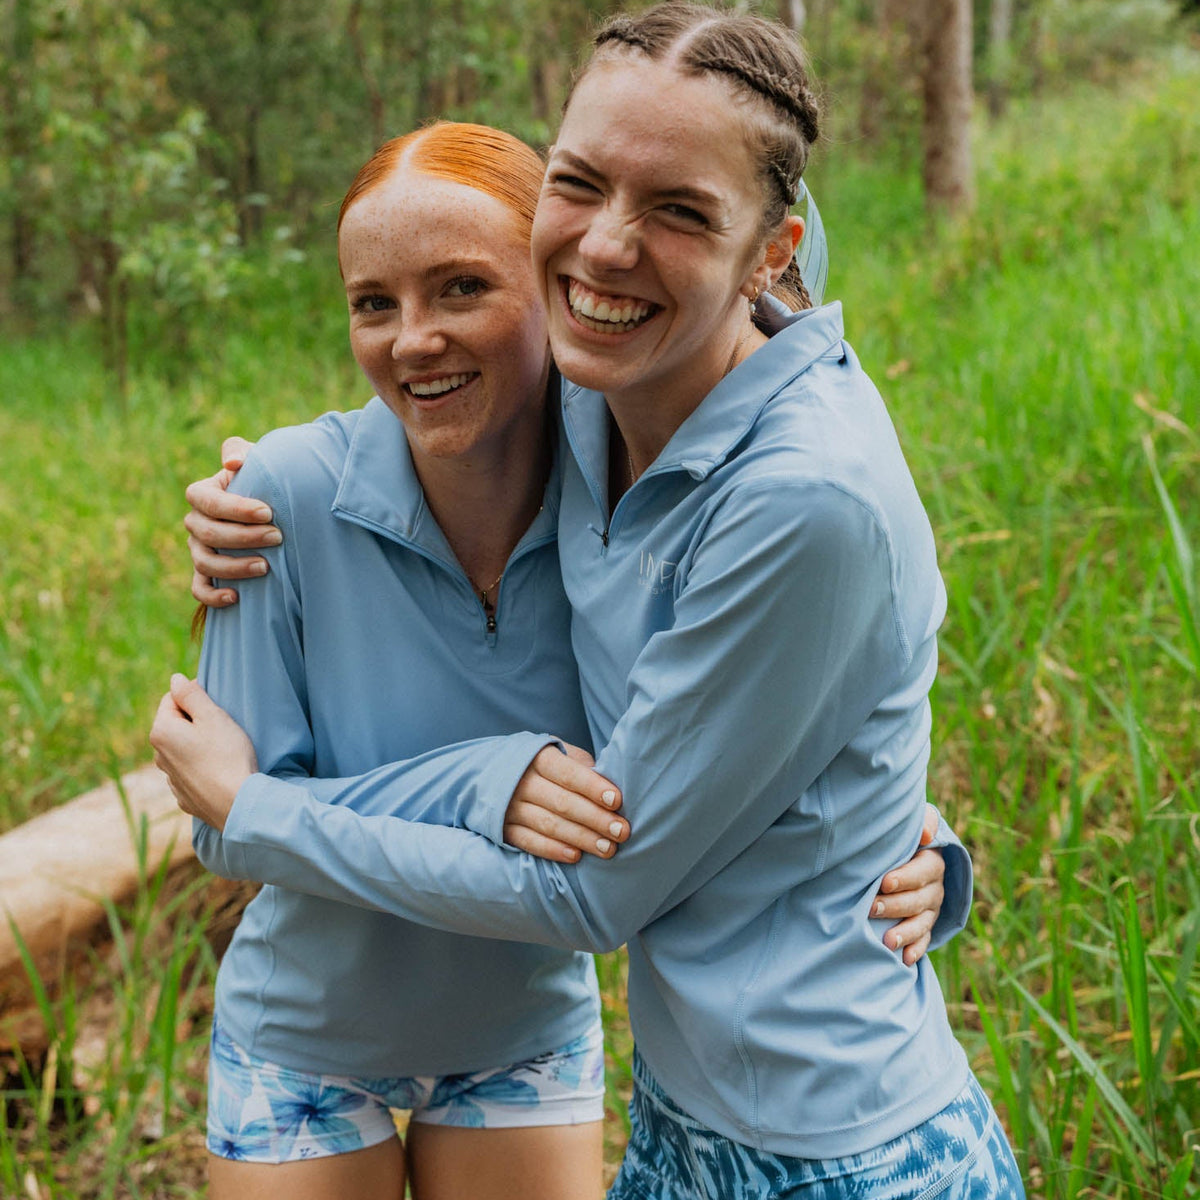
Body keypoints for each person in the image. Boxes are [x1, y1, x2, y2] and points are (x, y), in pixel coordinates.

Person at [151, 113, 963, 1200]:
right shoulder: (281, 497)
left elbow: (759, 696)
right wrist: (485, 778)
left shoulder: (621, 498)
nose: (413, 340)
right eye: (372, 305)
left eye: (461, 290)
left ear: (555, 286)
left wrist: (915, 842)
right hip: (304, 1030)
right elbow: (228, 818)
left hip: (519, 1029)